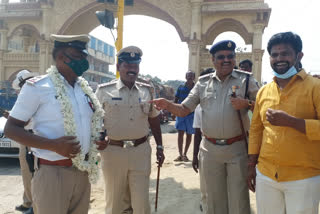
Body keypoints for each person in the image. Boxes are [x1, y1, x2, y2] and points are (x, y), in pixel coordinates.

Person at [150, 40, 259, 214]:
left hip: (237, 149)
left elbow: (263, 106)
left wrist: (247, 103)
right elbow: (185, 109)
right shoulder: (202, 82)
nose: (226, 60)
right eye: (221, 57)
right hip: (210, 151)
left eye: (230, 56)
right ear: (212, 60)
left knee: (239, 201)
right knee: (213, 201)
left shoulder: (246, 80)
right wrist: (167, 104)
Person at [4, 34, 107, 214]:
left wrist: (99, 138)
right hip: (52, 173)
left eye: (85, 56)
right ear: (61, 58)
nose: (84, 60)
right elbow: (11, 129)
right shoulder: (38, 87)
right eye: (78, 56)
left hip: (83, 172)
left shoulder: (85, 89)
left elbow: (90, 123)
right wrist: (53, 145)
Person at [247, 31, 320, 214]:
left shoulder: (315, 88)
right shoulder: (264, 91)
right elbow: (256, 130)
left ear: (298, 56)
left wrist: (292, 122)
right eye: (274, 54)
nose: (279, 58)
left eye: (285, 53)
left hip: (303, 177)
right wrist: (251, 166)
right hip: (266, 174)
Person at [95, 46, 165, 214]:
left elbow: (154, 119)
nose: (132, 69)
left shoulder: (147, 91)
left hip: (140, 151)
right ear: (118, 67)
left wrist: (160, 147)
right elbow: (94, 120)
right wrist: (98, 138)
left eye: (135, 65)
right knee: (114, 203)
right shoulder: (104, 91)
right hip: (113, 152)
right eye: (127, 65)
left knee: (141, 203)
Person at [11, 70, 35, 214]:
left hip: (30, 138)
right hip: (26, 138)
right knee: (27, 172)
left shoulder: (31, 96)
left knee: (32, 172)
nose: (18, 93)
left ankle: (33, 204)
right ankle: (28, 202)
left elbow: (26, 122)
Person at [191, 68, 214, 212]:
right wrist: (195, 156)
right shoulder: (198, 105)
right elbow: (197, 132)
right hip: (206, 148)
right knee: (205, 186)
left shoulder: (232, 101)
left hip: (229, 150)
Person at [173, 71, 196, 162]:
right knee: (180, 134)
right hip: (180, 112)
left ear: (194, 77)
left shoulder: (196, 87)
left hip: (191, 114)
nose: (189, 77)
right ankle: (180, 154)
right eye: (188, 75)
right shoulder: (181, 87)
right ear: (185, 77)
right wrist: (174, 112)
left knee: (189, 134)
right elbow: (176, 99)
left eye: (191, 76)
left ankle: (185, 154)